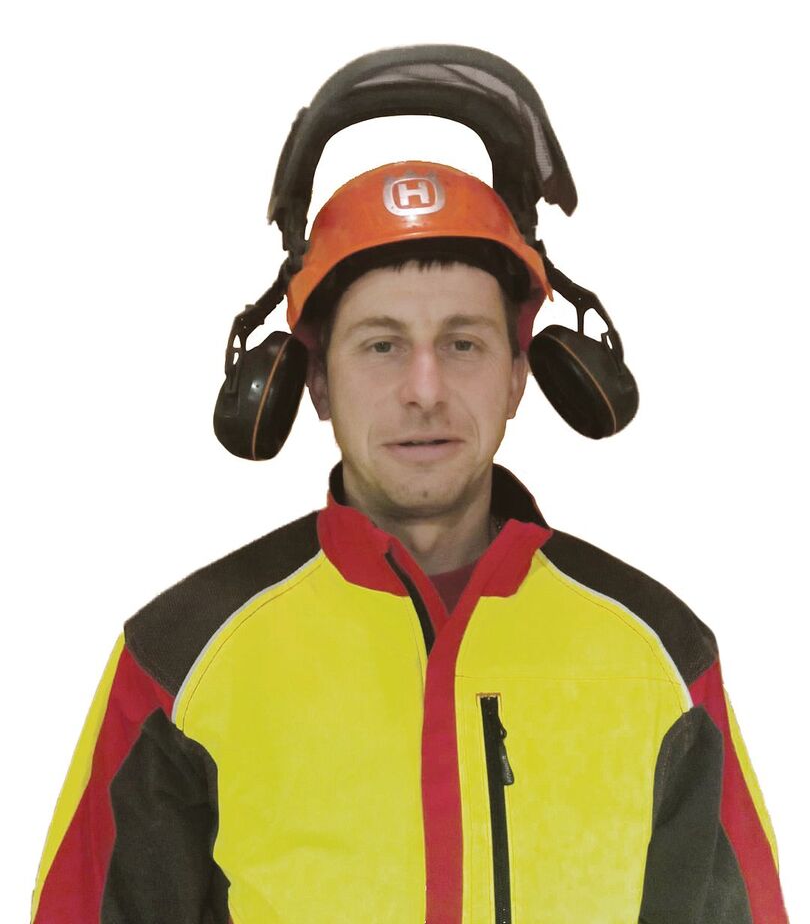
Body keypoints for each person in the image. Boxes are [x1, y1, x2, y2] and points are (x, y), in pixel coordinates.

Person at [30, 160, 788, 923]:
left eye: (463, 344)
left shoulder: (660, 657)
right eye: (381, 346)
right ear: (313, 383)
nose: (424, 390)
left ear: (519, 375)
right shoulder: (179, 660)